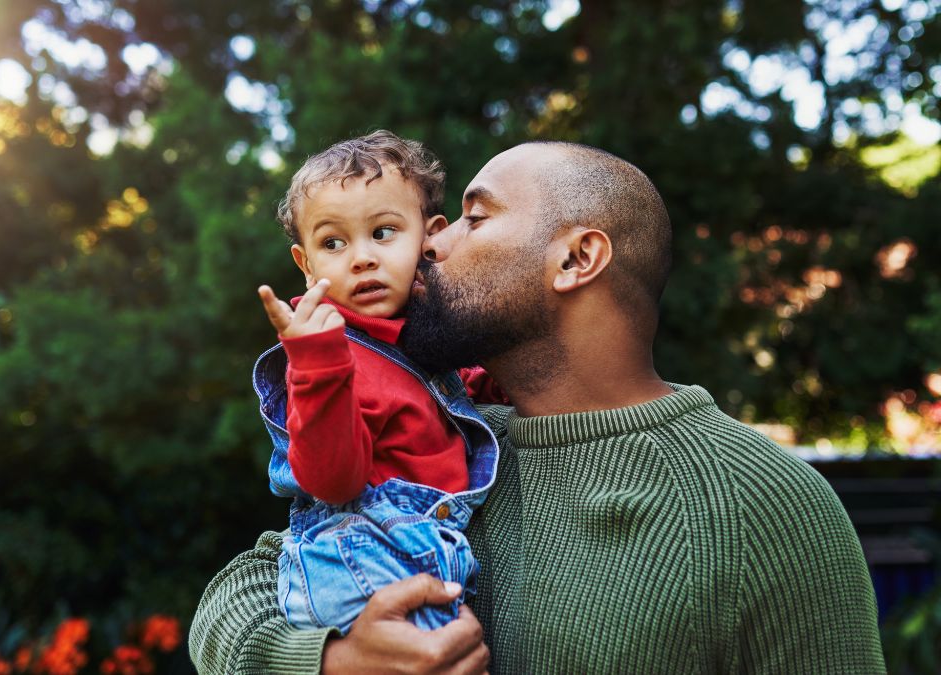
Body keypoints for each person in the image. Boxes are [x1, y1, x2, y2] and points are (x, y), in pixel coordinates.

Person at [190, 141, 885, 673]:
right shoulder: (456, 442)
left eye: (473, 216)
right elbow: (233, 597)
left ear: (577, 258)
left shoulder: (764, 505)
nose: (428, 242)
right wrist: (329, 659)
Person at [252, 130, 503, 636]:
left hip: (424, 551)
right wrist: (317, 365)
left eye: (383, 232)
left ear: (429, 238)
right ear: (306, 265)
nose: (361, 257)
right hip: (363, 558)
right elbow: (333, 481)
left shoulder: (419, 341)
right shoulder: (328, 351)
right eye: (333, 243)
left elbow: (468, 396)